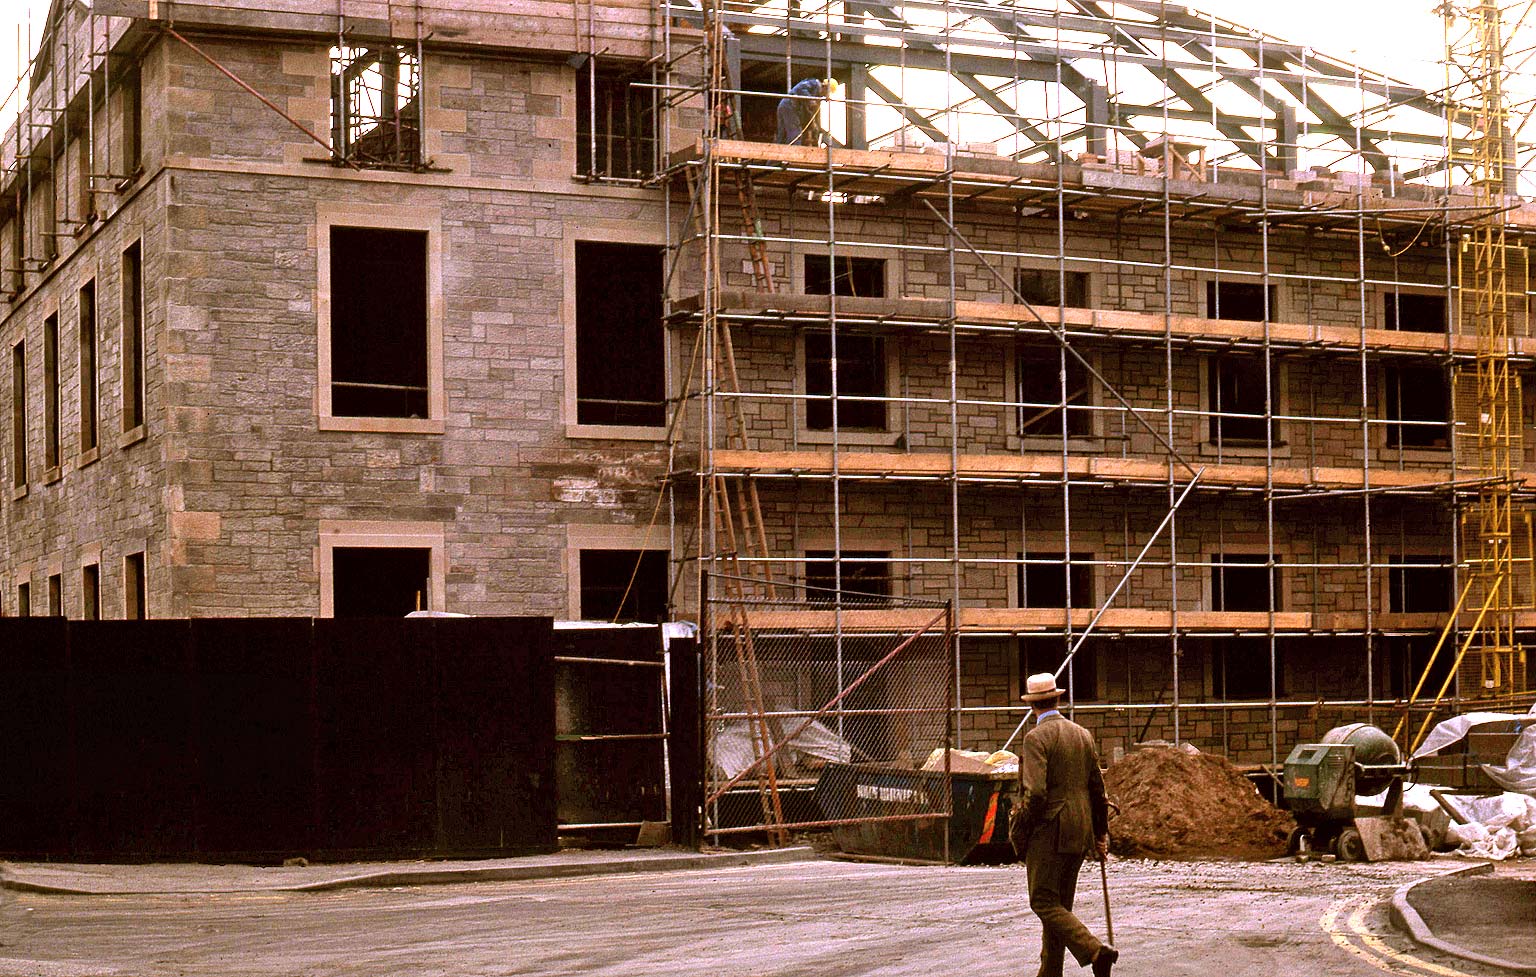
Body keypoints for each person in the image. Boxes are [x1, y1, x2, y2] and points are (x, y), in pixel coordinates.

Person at [1010, 672, 1118, 977]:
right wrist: (1100, 835)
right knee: (1059, 908)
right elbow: (1098, 791)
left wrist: (1023, 827)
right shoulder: (1082, 734)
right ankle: (1050, 972)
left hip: (1049, 832)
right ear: (1058, 699)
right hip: (1080, 830)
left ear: (1032, 705)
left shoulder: (1035, 738)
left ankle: (1096, 951)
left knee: (1043, 901)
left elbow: (1037, 794)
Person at [775, 77, 836, 145]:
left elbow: (812, 114)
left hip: (785, 105)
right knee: (795, 132)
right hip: (789, 105)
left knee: (783, 133)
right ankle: (795, 153)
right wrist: (810, 99)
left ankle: (777, 153)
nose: (826, 95)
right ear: (825, 87)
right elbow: (800, 89)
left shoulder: (817, 97)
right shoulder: (814, 83)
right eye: (828, 92)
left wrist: (815, 124)